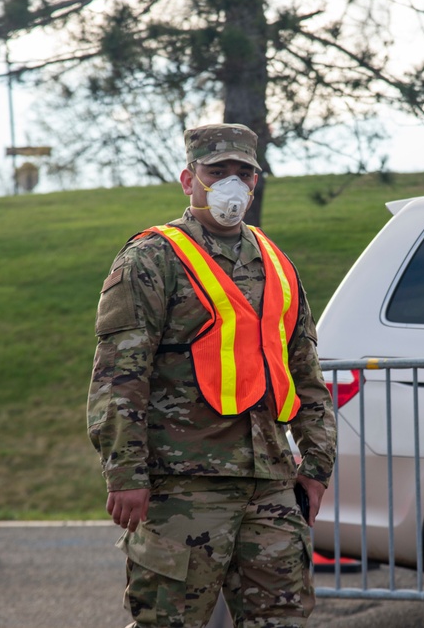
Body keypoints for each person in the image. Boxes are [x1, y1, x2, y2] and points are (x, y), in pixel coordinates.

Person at [87, 123, 337, 628]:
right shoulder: (152, 258)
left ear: (255, 183)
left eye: (242, 172)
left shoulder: (276, 263)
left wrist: (316, 462)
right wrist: (125, 472)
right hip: (183, 484)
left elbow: (304, 370)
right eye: (216, 171)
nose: (230, 183)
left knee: (282, 619)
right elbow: (119, 375)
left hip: (268, 482)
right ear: (188, 179)